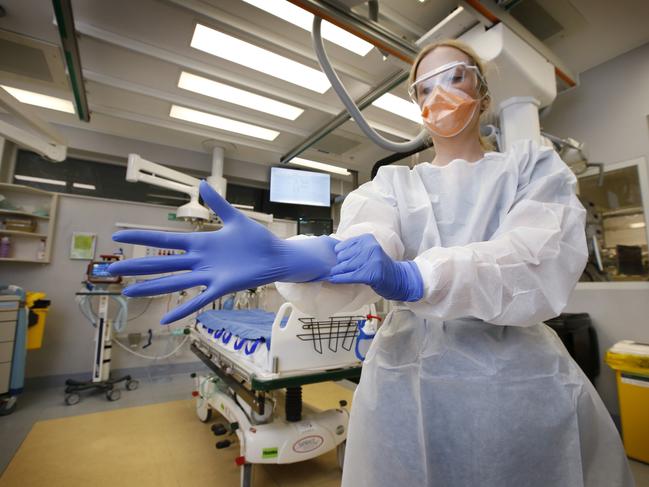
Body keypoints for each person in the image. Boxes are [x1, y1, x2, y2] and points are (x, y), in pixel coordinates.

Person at [109, 40, 634, 486]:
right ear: (415, 105)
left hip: (521, 387)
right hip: (408, 385)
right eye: (423, 88)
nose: (439, 96)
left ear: (483, 93)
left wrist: (414, 277)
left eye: (454, 78)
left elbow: (532, 259)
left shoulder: (531, 169)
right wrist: (291, 257)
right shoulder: (393, 185)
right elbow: (364, 243)